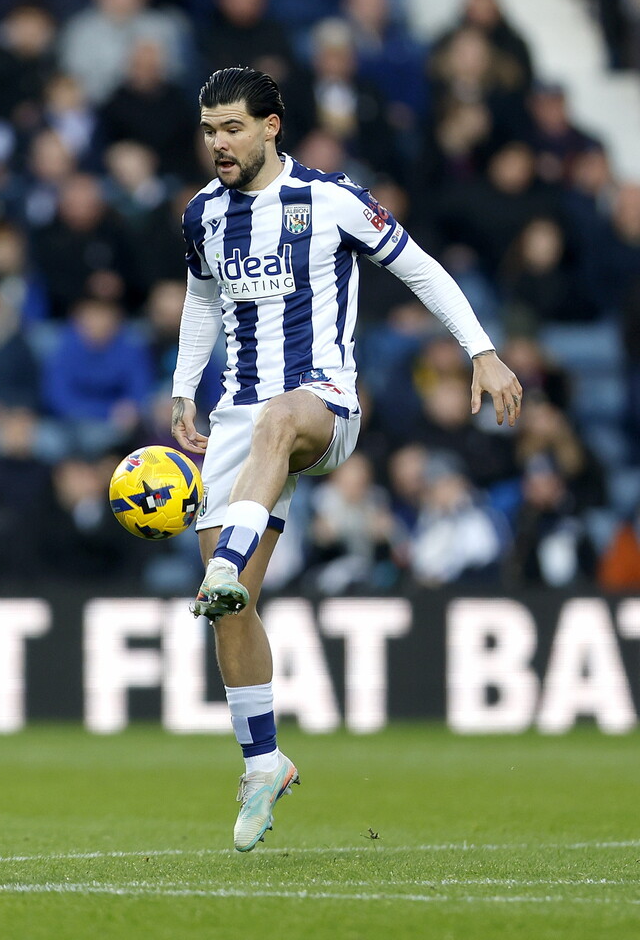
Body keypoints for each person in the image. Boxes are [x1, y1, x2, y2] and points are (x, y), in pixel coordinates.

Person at [168, 67, 521, 853]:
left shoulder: (329, 199)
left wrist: (482, 351)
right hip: (233, 418)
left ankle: (226, 560)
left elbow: (420, 266)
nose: (219, 143)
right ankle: (264, 763)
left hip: (322, 403)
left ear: (271, 127)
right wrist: (185, 384)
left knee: (277, 425)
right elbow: (202, 298)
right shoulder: (201, 215)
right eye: (209, 129)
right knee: (235, 613)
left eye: (232, 127)